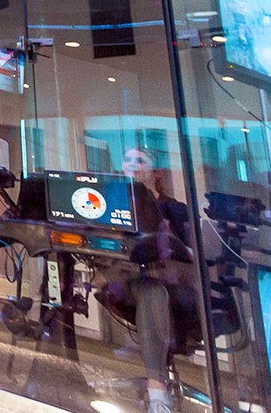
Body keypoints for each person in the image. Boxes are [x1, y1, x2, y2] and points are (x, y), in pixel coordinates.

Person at [102, 147, 199, 413]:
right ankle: (157, 385)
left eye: (140, 161)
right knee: (149, 289)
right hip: (129, 280)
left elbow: (192, 253)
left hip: (171, 281)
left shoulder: (174, 209)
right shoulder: (112, 203)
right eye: (128, 160)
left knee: (155, 289)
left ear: (155, 173)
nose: (133, 165)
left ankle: (156, 382)